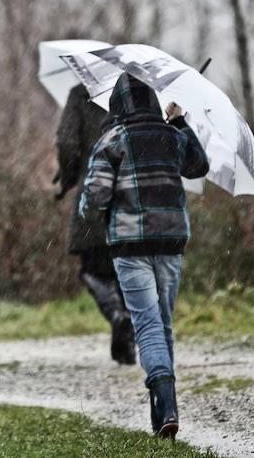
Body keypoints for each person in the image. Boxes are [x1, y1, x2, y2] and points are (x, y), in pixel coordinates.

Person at [78, 73, 210, 438]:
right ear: (152, 101)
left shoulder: (112, 140)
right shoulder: (172, 136)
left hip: (130, 246)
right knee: (162, 321)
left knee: (147, 323)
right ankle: (165, 407)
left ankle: (164, 399)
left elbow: (95, 198)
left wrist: (93, 209)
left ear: (119, 105)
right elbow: (198, 166)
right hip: (171, 241)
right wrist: (180, 121)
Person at [54, 83, 136, 365]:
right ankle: (127, 339)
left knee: (93, 268)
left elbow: (66, 142)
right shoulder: (135, 91)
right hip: (132, 192)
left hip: (94, 188)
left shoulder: (81, 92)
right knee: (128, 268)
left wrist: (68, 178)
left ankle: (116, 315)